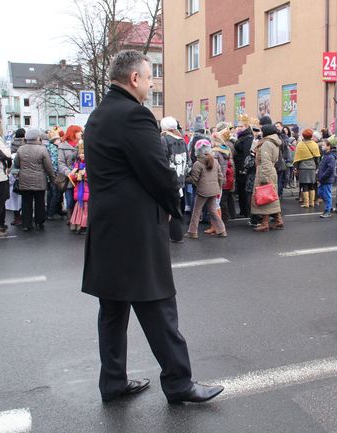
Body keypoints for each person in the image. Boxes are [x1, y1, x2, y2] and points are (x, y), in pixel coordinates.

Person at [81, 50, 223, 404]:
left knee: (112, 311)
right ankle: (179, 384)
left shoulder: (98, 115)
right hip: (137, 231)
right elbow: (158, 173)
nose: (149, 84)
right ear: (134, 79)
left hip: (107, 228)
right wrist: (174, 209)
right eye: (148, 78)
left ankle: (112, 383)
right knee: (159, 307)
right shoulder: (135, 115)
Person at [14, 128, 56, 231]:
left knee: (26, 202)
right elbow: (48, 167)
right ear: (38, 137)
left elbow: (16, 164)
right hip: (39, 180)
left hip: (24, 180)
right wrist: (52, 178)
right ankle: (39, 222)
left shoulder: (21, 149)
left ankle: (26, 224)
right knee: (40, 202)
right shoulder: (42, 149)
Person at [185, 139, 227, 239]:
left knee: (196, 211)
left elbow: (194, 180)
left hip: (202, 191)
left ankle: (192, 232)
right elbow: (220, 177)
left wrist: (185, 177)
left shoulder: (197, 164)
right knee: (213, 211)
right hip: (214, 190)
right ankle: (222, 230)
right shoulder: (215, 161)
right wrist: (219, 187)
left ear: (197, 151)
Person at [250, 118, 283, 231]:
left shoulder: (266, 143)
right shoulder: (273, 142)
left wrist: (264, 177)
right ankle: (278, 220)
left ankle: (265, 223)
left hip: (265, 171)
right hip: (270, 171)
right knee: (272, 196)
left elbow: (266, 161)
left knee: (264, 197)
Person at [160, 116, 190, 243]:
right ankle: (177, 235)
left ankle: (168, 235)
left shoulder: (163, 139)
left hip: (168, 178)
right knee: (176, 206)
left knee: (165, 207)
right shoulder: (182, 141)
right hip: (180, 178)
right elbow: (188, 161)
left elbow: (162, 159)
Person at [293, 129, 320, 208]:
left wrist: (296, 168)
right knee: (312, 184)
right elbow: (317, 158)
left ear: (303, 136)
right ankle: (312, 202)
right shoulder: (315, 144)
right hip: (312, 167)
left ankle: (306, 203)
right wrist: (316, 167)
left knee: (304, 184)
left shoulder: (300, 145)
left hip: (303, 168)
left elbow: (297, 158)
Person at [58, 127, 79, 225]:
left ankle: (77, 219)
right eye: (78, 132)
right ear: (73, 133)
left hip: (80, 176)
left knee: (79, 199)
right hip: (69, 177)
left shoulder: (82, 144)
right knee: (70, 200)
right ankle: (70, 218)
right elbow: (61, 163)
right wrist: (69, 173)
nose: (80, 133)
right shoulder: (62, 146)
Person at [234, 115, 254, 217]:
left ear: (246, 126)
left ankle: (246, 211)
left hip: (243, 169)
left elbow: (247, 154)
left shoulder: (248, 138)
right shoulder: (242, 137)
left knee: (244, 191)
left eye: (241, 126)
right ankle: (243, 210)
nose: (239, 128)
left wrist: (244, 169)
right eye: (238, 126)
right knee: (242, 191)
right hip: (240, 167)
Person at [69, 152, 89, 234]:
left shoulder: (90, 163)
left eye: (84, 153)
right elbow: (71, 177)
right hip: (80, 191)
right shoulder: (77, 164)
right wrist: (76, 175)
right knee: (80, 209)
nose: (82, 155)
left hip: (86, 190)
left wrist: (84, 175)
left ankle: (83, 226)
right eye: (80, 153)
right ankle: (80, 227)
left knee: (85, 209)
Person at [318, 138, 336, 218]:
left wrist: (323, 176)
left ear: (329, 146)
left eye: (323, 145)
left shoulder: (330, 157)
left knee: (327, 195)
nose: (322, 147)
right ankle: (329, 207)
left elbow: (330, 169)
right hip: (323, 179)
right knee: (320, 193)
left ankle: (327, 211)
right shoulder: (325, 155)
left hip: (327, 179)